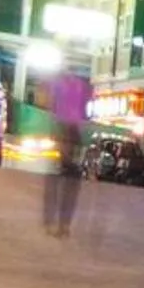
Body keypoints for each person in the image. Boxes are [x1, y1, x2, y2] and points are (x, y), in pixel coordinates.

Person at [42, 65, 91, 237]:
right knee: (69, 181)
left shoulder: (58, 84)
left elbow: (52, 106)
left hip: (65, 128)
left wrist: (55, 131)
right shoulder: (81, 86)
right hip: (74, 130)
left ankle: (54, 223)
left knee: (57, 180)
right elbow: (84, 111)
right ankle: (63, 225)